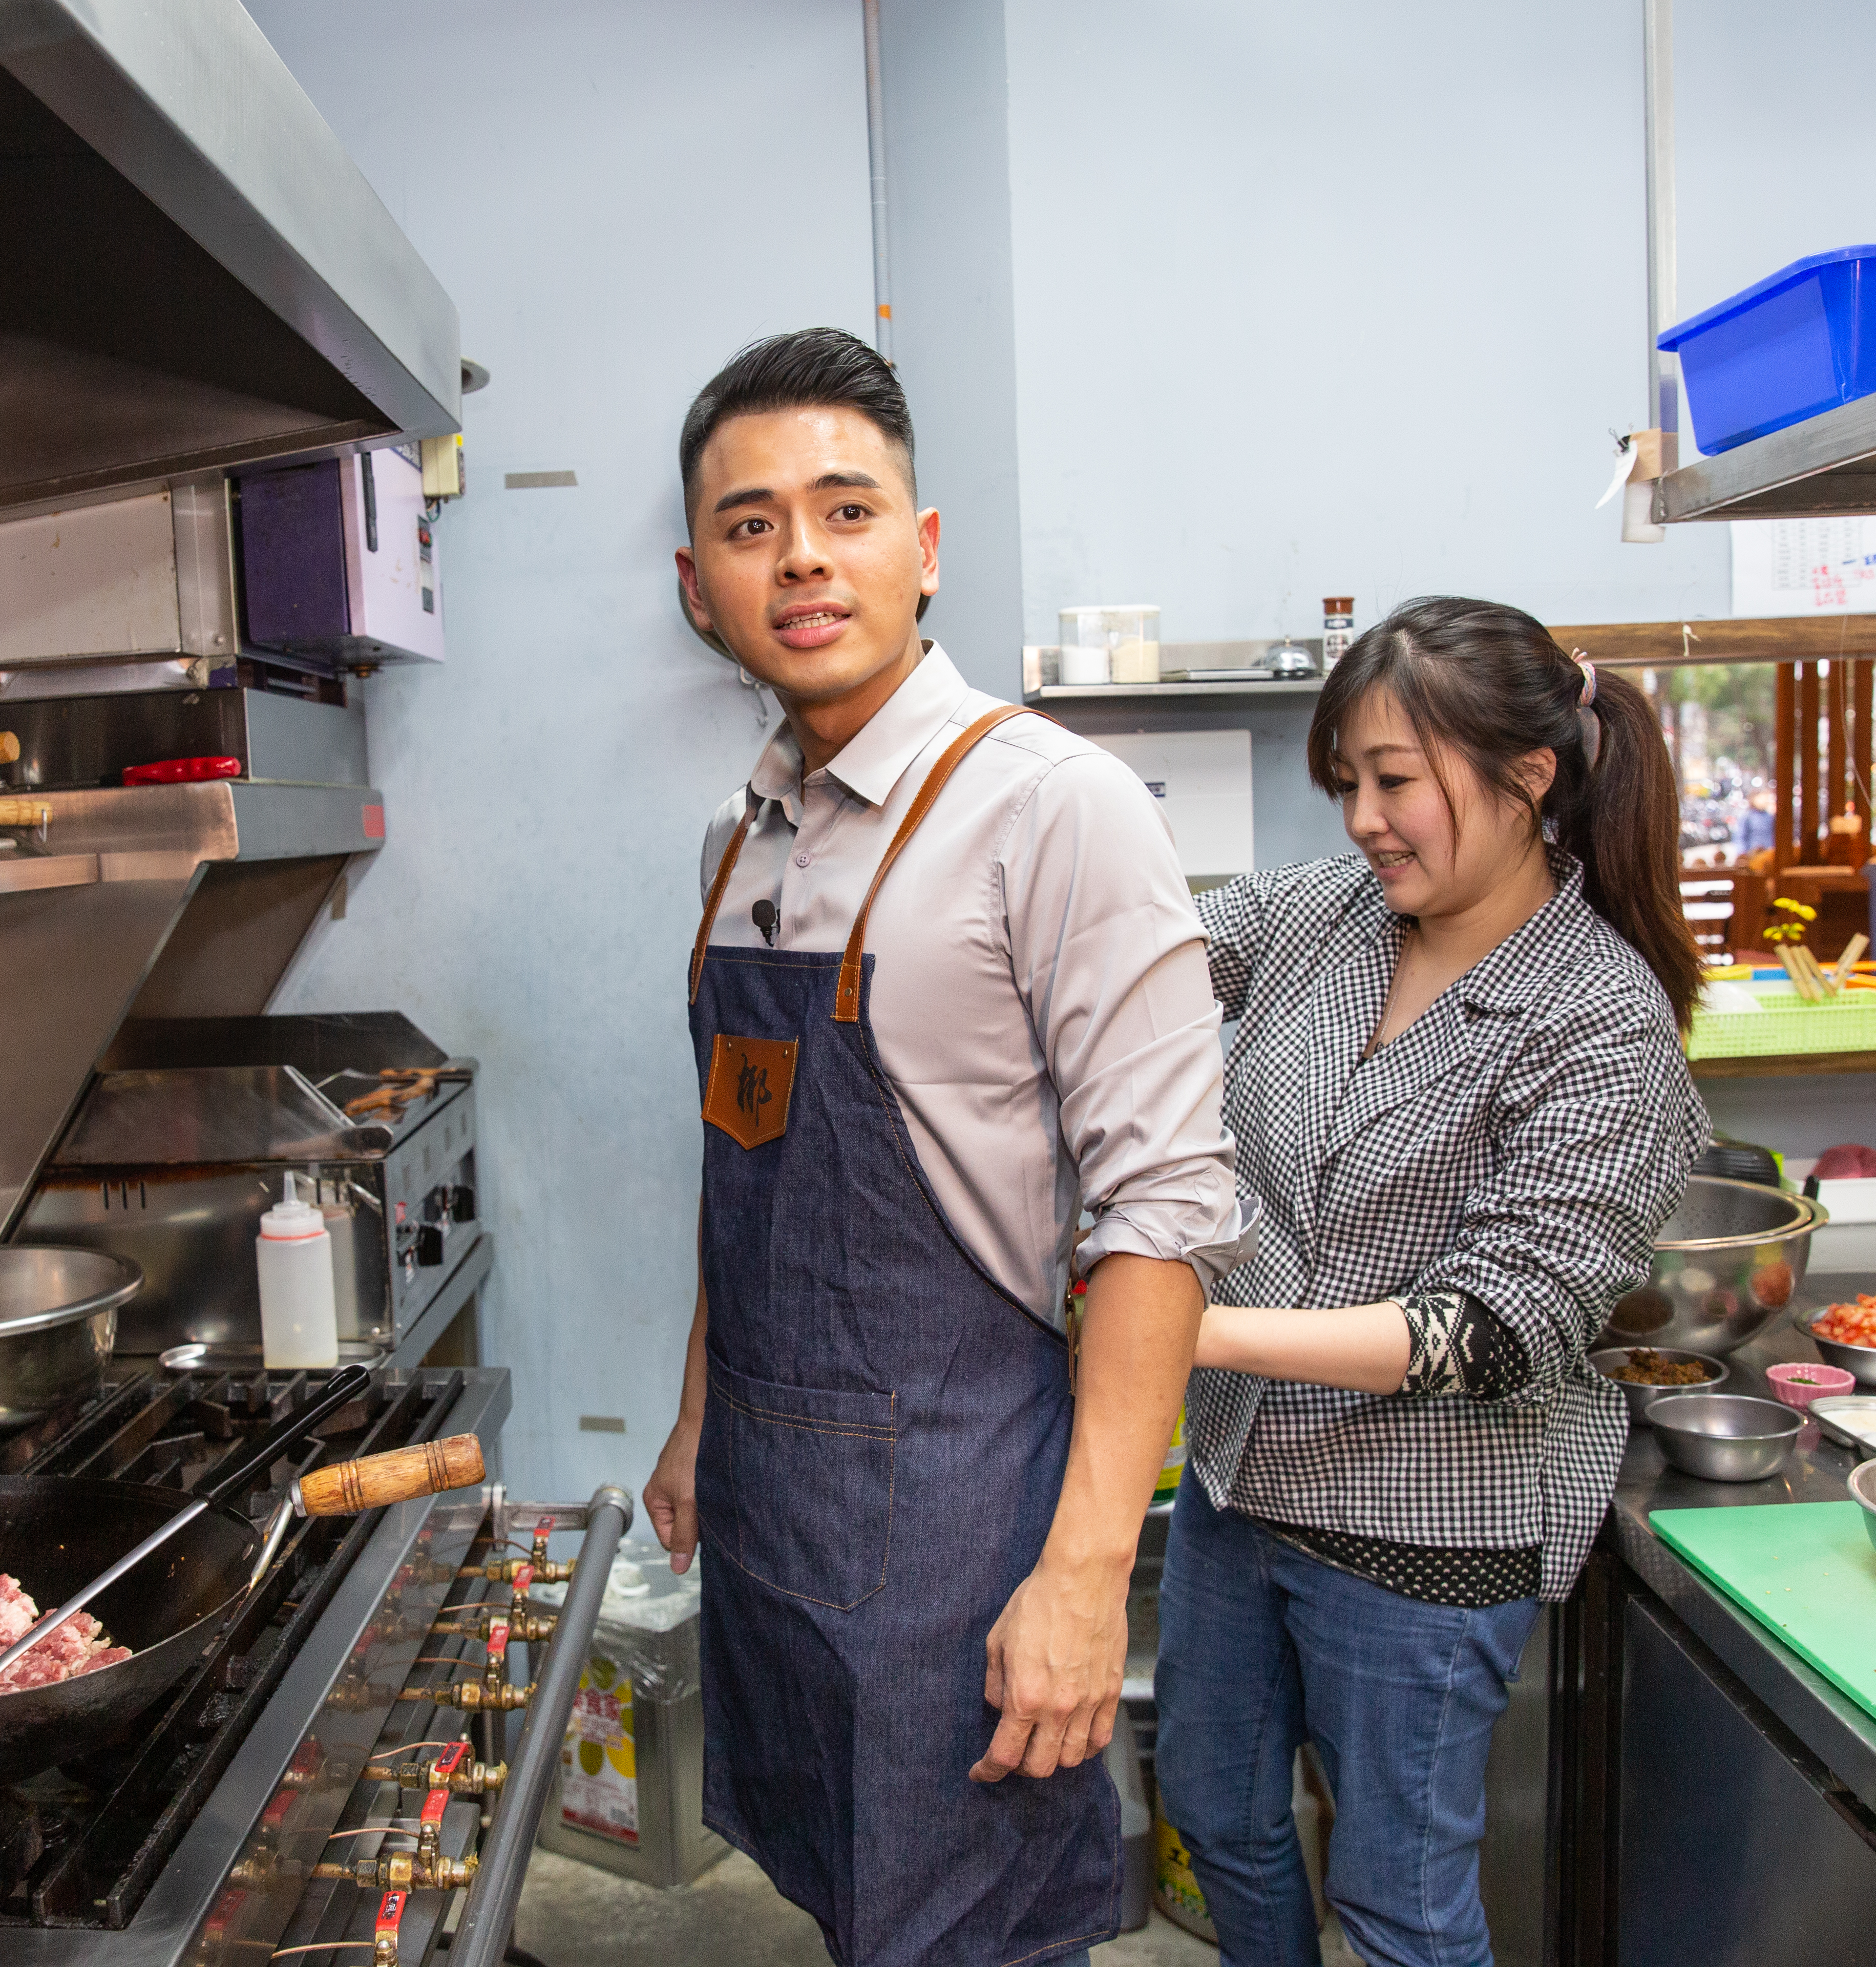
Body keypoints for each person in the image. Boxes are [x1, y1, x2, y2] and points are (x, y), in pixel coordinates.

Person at [641, 328, 1247, 1967]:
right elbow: (737, 1161)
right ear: (701, 585)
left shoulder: (1056, 808)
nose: (803, 557)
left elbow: (1163, 1217)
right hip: (775, 1501)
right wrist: (703, 1421)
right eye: (752, 524)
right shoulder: (738, 837)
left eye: (846, 510)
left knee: (968, 1931)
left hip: (963, 1525)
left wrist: (1084, 1579)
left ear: (922, 548)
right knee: (850, 1903)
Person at [1150, 598, 1710, 1967]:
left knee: (1399, 1900)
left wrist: (1174, 1330)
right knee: (1216, 1810)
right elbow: (1145, 967)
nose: (1361, 819)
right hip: (1243, 1483)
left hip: (1423, 1529)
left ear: (1529, 778)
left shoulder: (1603, 1025)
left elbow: (1491, 1332)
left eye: (1394, 781)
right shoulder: (1324, 919)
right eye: (1348, 783)